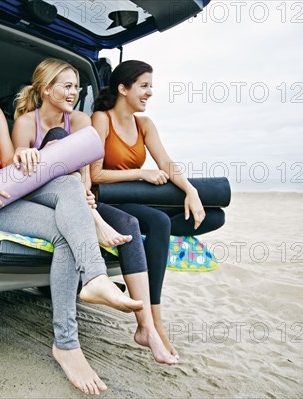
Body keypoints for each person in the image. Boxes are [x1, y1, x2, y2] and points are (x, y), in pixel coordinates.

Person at [0, 35, 143, 395]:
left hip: (6, 190)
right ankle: (68, 344)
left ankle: (93, 280)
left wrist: (23, 156)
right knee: (65, 231)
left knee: (67, 187)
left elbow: (7, 164)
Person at [12, 58, 178, 365]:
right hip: (39, 195)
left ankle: (146, 327)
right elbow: (19, 176)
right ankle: (95, 220)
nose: (74, 92)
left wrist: (85, 195)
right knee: (59, 140)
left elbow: (87, 173)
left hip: (78, 196)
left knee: (128, 225)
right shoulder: (25, 122)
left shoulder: (81, 121)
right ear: (46, 90)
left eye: (77, 86)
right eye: (67, 86)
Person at [91, 60, 226, 358]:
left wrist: (190, 191)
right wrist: (141, 173)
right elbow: (95, 175)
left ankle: (154, 239)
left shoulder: (145, 125)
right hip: (108, 201)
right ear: (123, 88)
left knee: (214, 216)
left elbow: (165, 163)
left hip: (136, 200)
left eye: (151, 85)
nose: (150, 92)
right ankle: (154, 323)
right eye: (144, 85)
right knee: (159, 222)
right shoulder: (102, 119)